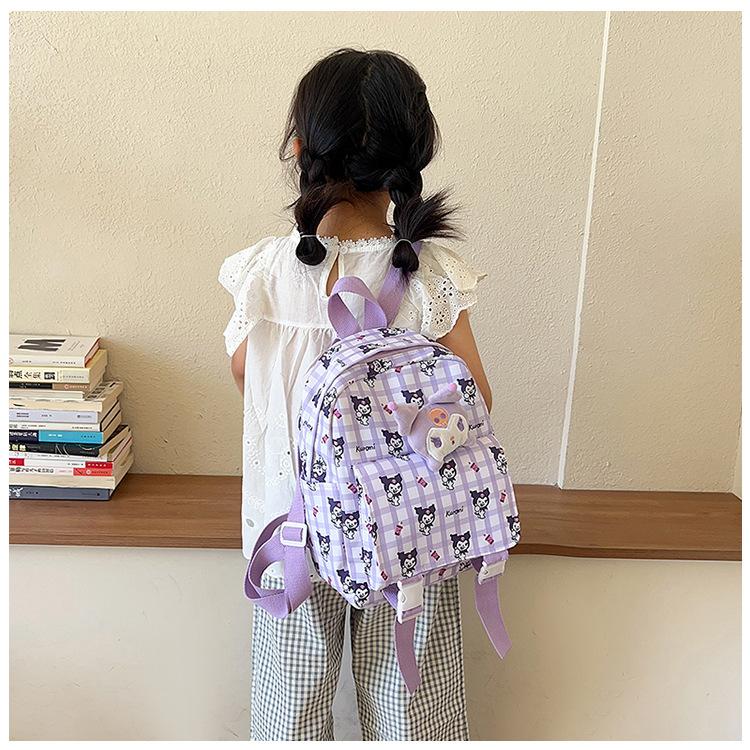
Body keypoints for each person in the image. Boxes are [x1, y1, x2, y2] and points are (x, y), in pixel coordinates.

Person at [219, 48, 493, 742]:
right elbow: (475, 399)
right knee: (413, 713)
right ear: (415, 153)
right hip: (410, 533)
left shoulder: (267, 273)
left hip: (292, 531)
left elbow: (246, 373)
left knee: (290, 714)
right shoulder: (429, 274)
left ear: (299, 148)